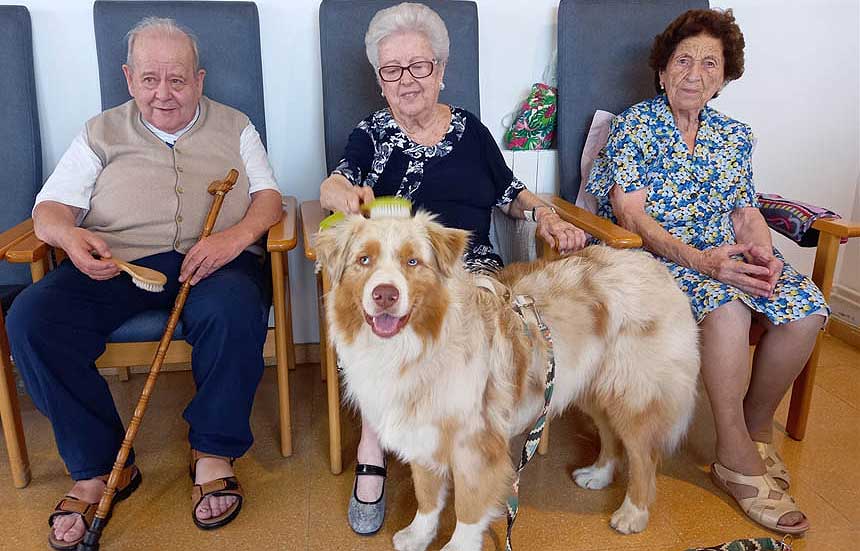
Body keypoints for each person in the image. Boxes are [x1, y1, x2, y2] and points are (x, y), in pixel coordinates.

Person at [6, 17, 282, 548]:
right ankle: (101, 467)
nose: (164, 93)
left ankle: (212, 451)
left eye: (177, 80)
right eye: (150, 79)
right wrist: (69, 237)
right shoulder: (99, 132)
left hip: (214, 259)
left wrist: (235, 238)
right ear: (129, 78)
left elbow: (268, 198)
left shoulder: (236, 125)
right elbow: (49, 209)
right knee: (32, 318)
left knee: (234, 308)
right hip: (120, 262)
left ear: (199, 80)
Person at [319, 2, 587, 535]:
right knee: (384, 340)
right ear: (380, 81)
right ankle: (375, 446)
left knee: (479, 347)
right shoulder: (369, 135)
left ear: (440, 70)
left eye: (419, 66)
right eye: (392, 70)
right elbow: (335, 183)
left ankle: (474, 447)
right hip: (396, 279)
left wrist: (546, 214)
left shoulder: (469, 130)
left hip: (473, 275)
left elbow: (510, 193)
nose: (407, 80)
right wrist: (343, 195)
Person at [586, 8, 825, 536]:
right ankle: (735, 455)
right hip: (657, 260)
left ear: (723, 77)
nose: (694, 74)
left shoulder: (733, 136)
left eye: (709, 64)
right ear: (663, 69)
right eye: (683, 60)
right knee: (727, 310)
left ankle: (757, 424)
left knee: (805, 308)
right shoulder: (634, 126)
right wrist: (701, 261)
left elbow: (745, 212)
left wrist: (762, 253)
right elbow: (630, 214)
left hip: (725, 256)